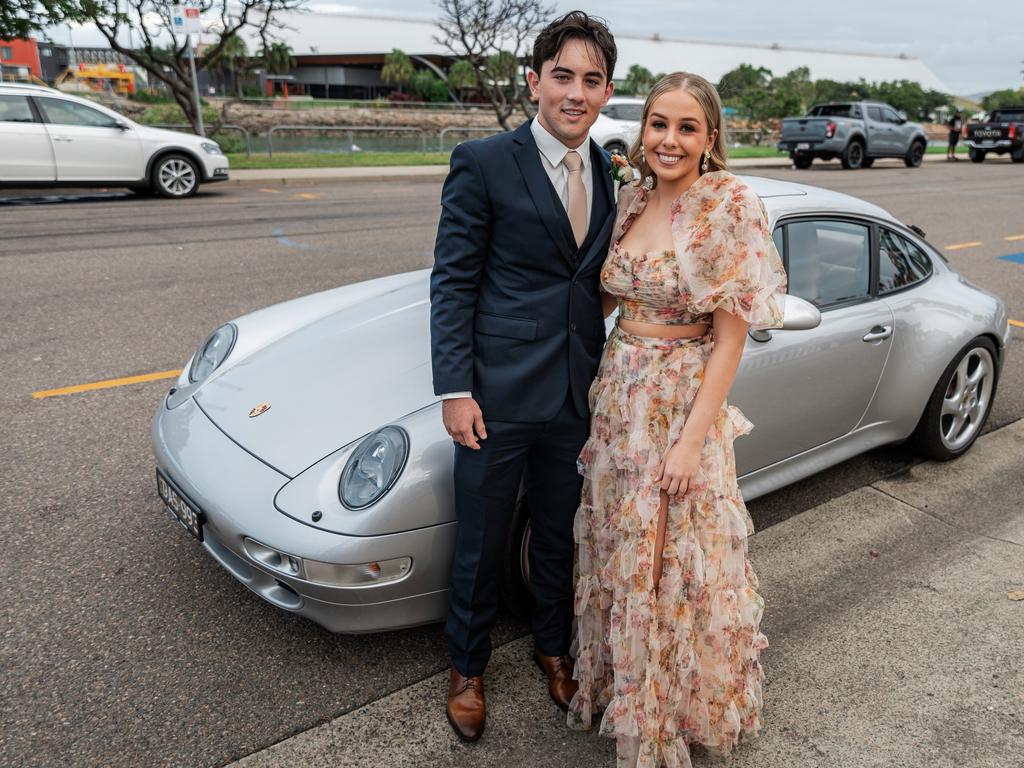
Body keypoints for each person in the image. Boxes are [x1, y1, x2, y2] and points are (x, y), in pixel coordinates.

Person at [567, 72, 787, 767]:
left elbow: (730, 336)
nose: (669, 139)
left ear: (710, 138)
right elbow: (607, 299)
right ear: (644, 130)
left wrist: (692, 442)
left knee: (671, 560)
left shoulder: (728, 204)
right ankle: (627, 690)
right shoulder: (630, 197)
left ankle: (667, 716)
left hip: (679, 402)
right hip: (619, 398)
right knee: (622, 549)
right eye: (659, 123)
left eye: (687, 127)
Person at [429, 11, 618, 743]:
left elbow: (591, 280)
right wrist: (455, 389)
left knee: (558, 538)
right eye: (563, 76)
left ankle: (552, 646)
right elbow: (454, 283)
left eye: (591, 80)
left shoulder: (608, 167)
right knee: (479, 541)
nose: (576, 93)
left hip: (577, 394)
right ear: (535, 82)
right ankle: (467, 667)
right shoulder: (481, 161)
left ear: (606, 91)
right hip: (496, 397)